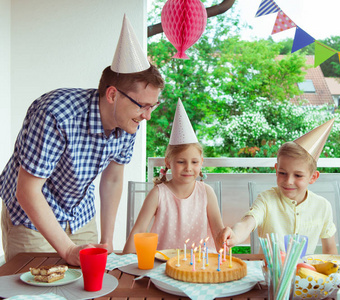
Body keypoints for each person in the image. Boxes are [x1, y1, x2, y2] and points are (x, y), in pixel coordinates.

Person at [0, 15, 164, 266]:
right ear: (112, 95)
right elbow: (27, 191)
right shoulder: (55, 113)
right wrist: (67, 250)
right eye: (143, 106)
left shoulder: (130, 123)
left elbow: (112, 178)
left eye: (153, 106)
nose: (148, 116)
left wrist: (107, 239)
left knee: (88, 287)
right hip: (31, 218)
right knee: (34, 290)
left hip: (80, 214)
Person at [217, 119, 338, 255]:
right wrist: (235, 235)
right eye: (282, 173)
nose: (289, 181)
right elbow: (247, 223)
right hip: (270, 273)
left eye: (298, 175)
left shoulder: (323, 206)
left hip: (304, 274)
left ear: (313, 177)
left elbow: (330, 250)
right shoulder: (266, 200)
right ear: (276, 170)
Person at [123, 99, 224, 253]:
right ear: (168, 162)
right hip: (162, 267)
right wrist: (124, 265)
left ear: (202, 162)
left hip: (201, 267)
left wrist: (227, 260)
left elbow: (219, 233)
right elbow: (138, 231)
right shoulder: (158, 193)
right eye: (181, 162)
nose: (188, 168)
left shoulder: (207, 192)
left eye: (194, 162)